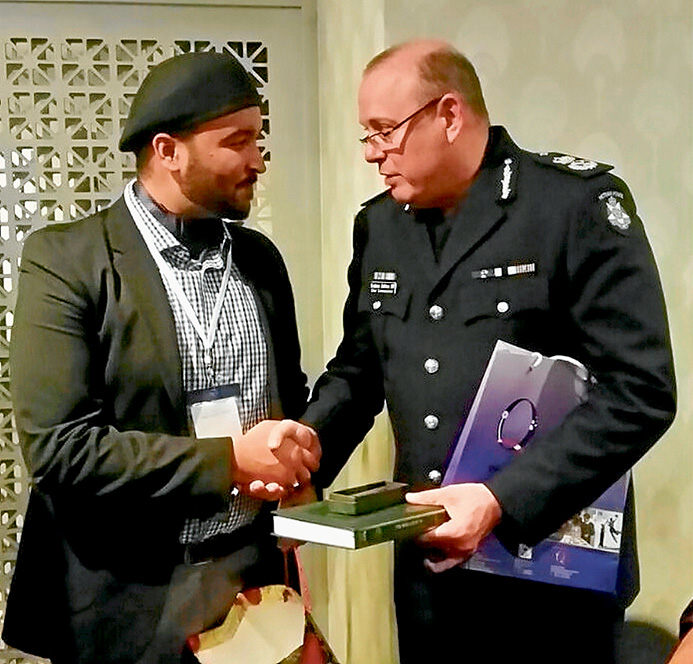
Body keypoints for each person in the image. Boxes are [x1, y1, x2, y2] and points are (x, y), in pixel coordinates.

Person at [300, 40, 676, 663]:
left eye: (384, 132)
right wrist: (307, 451)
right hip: (433, 572)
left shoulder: (570, 207)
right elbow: (361, 368)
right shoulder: (382, 226)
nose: (372, 153)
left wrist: (500, 499)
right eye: (364, 135)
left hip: (551, 578)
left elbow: (640, 391)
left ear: (448, 115)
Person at [3, 51, 319, 664]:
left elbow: (291, 396)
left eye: (259, 139)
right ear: (168, 151)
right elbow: (60, 449)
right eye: (238, 141)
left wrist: (297, 464)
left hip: (253, 589)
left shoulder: (260, 260)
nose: (258, 160)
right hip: (125, 601)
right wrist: (228, 462)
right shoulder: (67, 260)